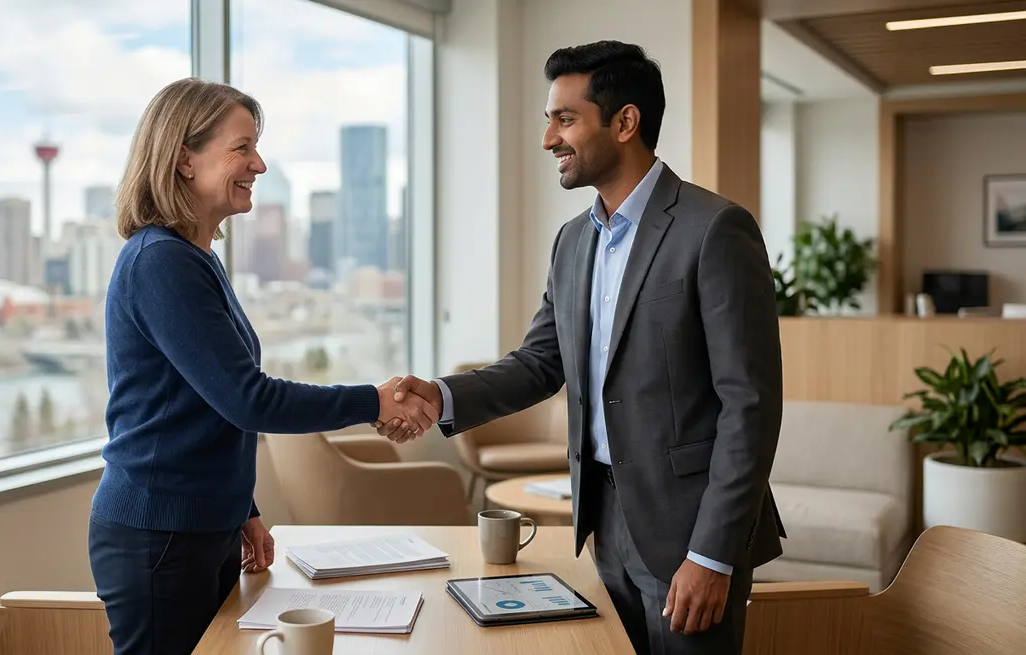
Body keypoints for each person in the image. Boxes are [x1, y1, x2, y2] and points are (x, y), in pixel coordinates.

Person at [377, 41, 785, 654]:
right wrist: (440, 395)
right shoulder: (573, 241)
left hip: (688, 528)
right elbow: (542, 362)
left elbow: (750, 405)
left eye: (564, 119)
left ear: (625, 122)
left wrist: (712, 554)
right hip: (602, 514)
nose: (548, 139)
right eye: (549, 119)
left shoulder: (715, 229)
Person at [87, 77, 439, 655]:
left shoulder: (197, 259)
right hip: (159, 536)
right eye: (242, 147)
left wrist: (242, 509)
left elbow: (209, 403)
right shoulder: (160, 263)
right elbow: (248, 398)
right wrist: (373, 401)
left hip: (200, 525)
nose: (260, 163)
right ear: (183, 159)